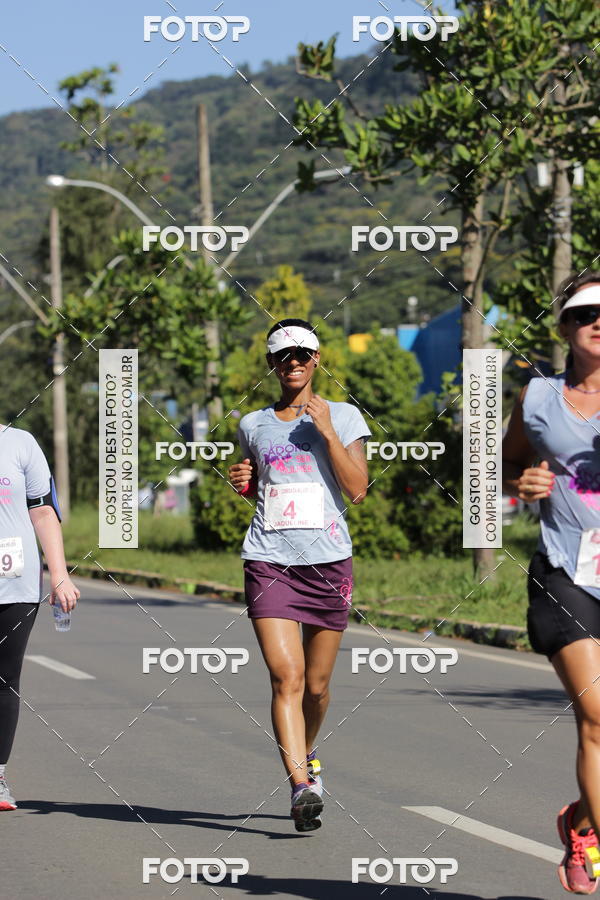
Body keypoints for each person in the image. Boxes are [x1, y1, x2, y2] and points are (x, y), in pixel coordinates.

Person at [228, 319, 370, 832]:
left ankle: (308, 755)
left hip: (328, 563)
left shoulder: (345, 416)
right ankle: (300, 787)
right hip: (269, 560)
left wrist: (327, 431)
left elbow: (357, 489)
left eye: (303, 354)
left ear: (316, 359)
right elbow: (257, 482)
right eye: (283, 356)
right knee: (286, 677)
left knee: (316, 686)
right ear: (271, 363)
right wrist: (242, 481)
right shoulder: (253, 423)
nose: (294, 362)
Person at [502, 273, 600, 893]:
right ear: (565, 326)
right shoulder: (538, 398)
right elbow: (509, 459)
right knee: (598, 717)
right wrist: (522, 482)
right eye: (586, 311)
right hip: (567, 572)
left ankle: (581, 822)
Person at [0, 425, 80, 810]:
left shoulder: (20, 443)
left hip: (14, 584)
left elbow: (44, 512)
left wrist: (59, 574)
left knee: (4, 680)